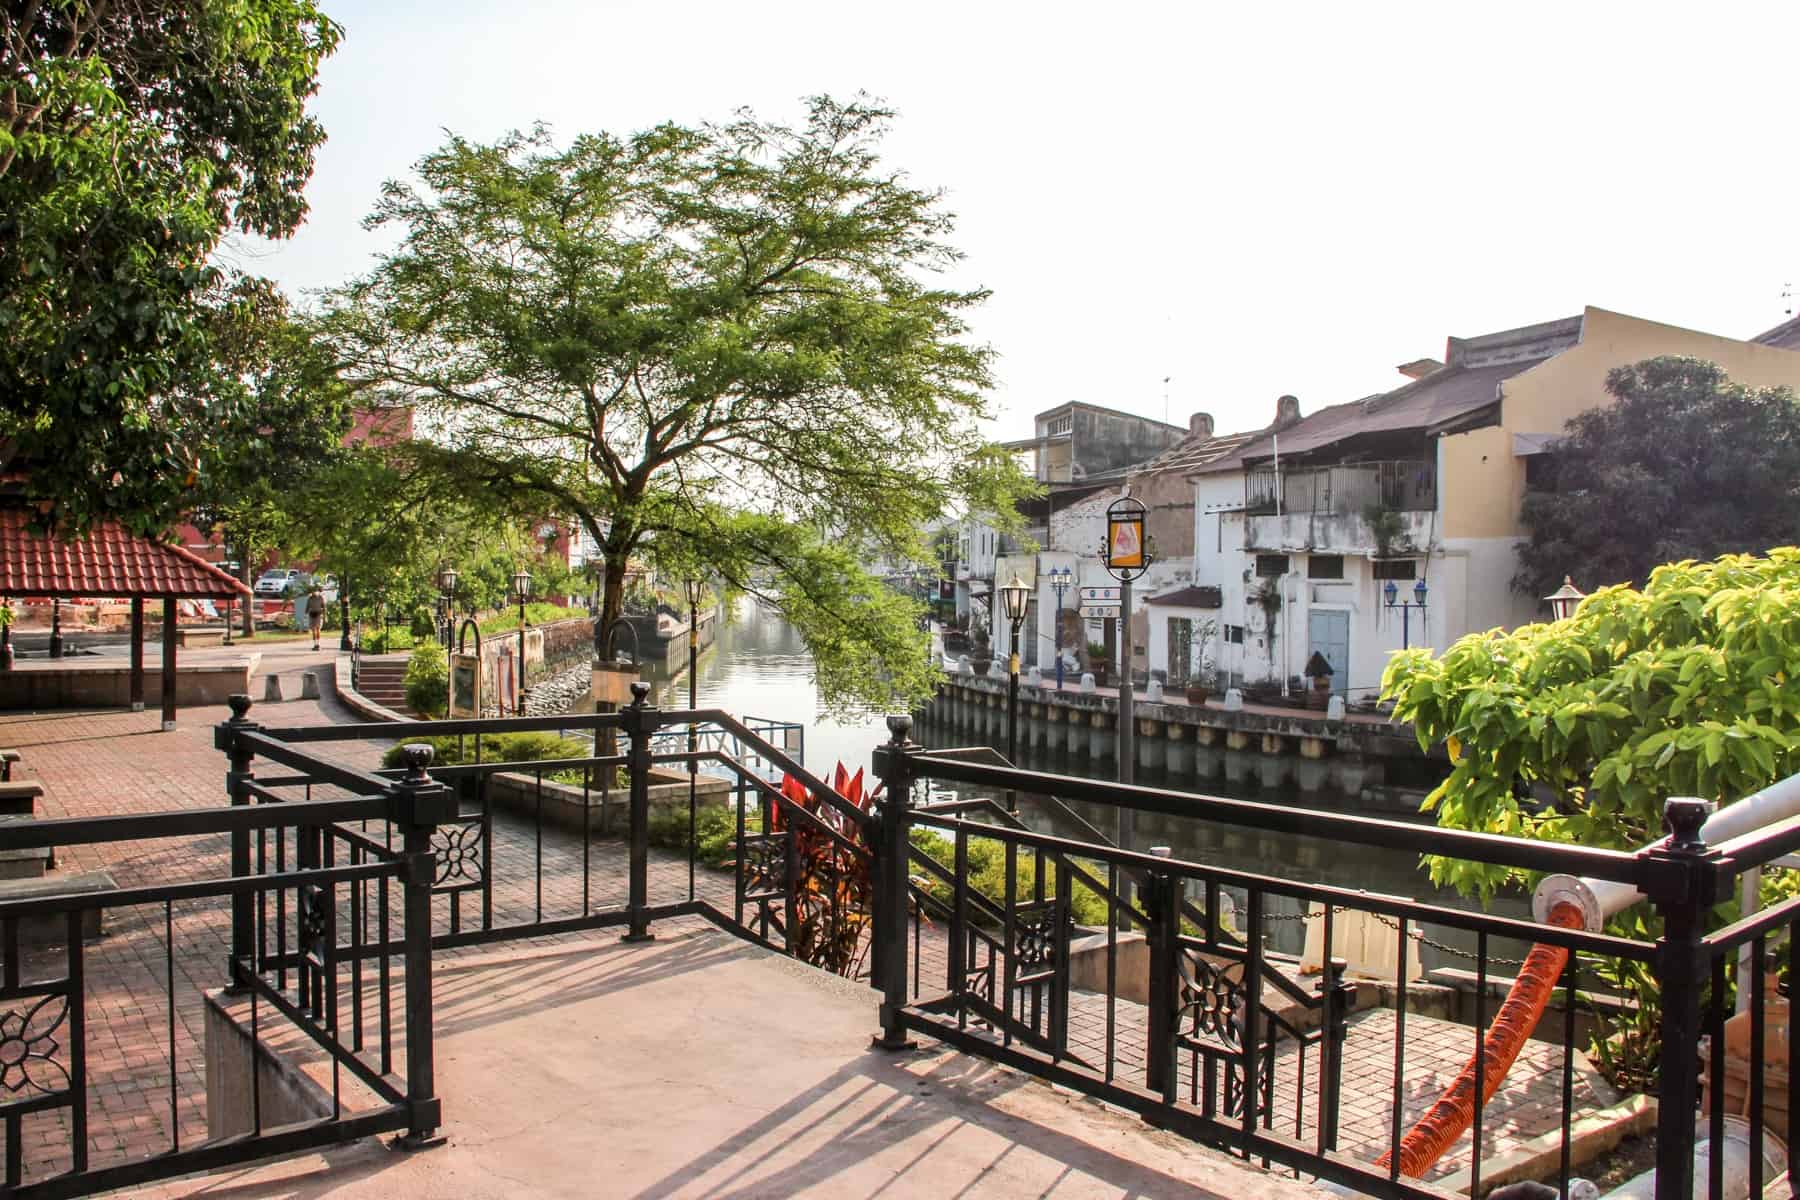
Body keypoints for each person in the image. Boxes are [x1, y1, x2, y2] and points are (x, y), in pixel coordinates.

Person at [305, 586, 326, 651]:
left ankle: (318, 644)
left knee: (318, 629)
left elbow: (324, 607)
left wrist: (325, 616)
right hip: (311, 614)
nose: (315, 592)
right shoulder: (310, 598)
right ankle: (315, 644)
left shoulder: (321, 598)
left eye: (316, 591)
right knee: (313, 630)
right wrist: (305, 614)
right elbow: (307, 607)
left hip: (318, 614)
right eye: (313, 591)